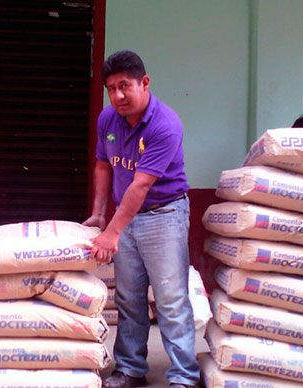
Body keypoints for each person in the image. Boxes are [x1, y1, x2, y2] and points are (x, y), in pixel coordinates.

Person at [83, 50, 199, 388]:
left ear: (144, 83)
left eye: (125, 86)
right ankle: (131, 369)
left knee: (170, 298)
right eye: (111, 88)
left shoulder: (165, 125)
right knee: (128, 298)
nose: (118, 96)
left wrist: (111, 233)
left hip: (165, 215)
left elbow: (141, 185)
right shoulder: (107, 119)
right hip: (125, 216)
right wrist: (99, 213)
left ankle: (183, 376)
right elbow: (103, 165)